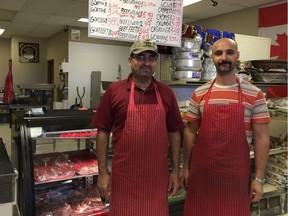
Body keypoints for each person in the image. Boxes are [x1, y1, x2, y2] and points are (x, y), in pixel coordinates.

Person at [91, 39, 185, 216]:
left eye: (151, 58)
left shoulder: (166, 93)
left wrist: (175, 171)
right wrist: (103, 173)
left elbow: (174, 133)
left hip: (157, 178)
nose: (146, 62)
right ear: (130, 61)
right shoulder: (115, 91)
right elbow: (102, 132)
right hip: (125, 178)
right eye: (140, 57)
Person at [180, 38, 271, 215]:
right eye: (218, 53)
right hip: (202, 176)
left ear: (237, 56)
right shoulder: (200, 93)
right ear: (212, 58)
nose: (224, 57)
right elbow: (190, 132)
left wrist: (259, 178)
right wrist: (186, 168)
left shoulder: (255, 94)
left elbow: (262, 138)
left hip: (235, 178)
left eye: (229, 52)